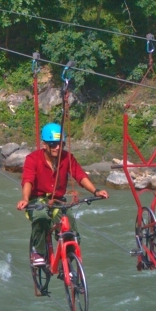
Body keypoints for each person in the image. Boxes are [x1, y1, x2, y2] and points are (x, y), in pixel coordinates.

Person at [15, 122, 108, 285]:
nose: (58, 148)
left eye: (61, 144)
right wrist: (25, 198)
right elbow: (28, 180)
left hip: (58, 202)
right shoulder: (33, 159)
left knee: (71, 231)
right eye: (53, 144)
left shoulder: (67, 158)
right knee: (41, 217)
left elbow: (80, 175)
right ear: (44, 145)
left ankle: (67, 264)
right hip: (37, 200)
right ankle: (39, 252)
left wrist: (95, 191)